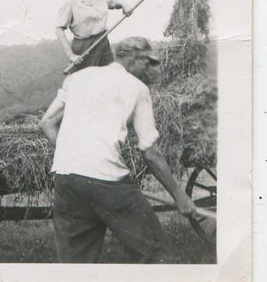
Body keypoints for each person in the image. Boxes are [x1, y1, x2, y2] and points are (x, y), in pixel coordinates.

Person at [40, 37, 198, 262]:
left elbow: (46, 123)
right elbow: (150, 151)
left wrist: (77, 156)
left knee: (75, 268)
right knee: (158, 255)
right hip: (108, 183)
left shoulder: (76, 78)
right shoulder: (137, 88)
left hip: (66, 180)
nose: (149, 70)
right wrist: (180, 195)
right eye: (147, 62)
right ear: (132, 58)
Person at [56, 0, 133, 70]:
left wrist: (124, 5)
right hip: (83, 47)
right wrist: (71, 55)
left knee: (108, 76)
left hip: (103, 43)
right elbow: (59, 29)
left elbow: (114, 3)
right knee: (85, 82)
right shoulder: (71, 1)